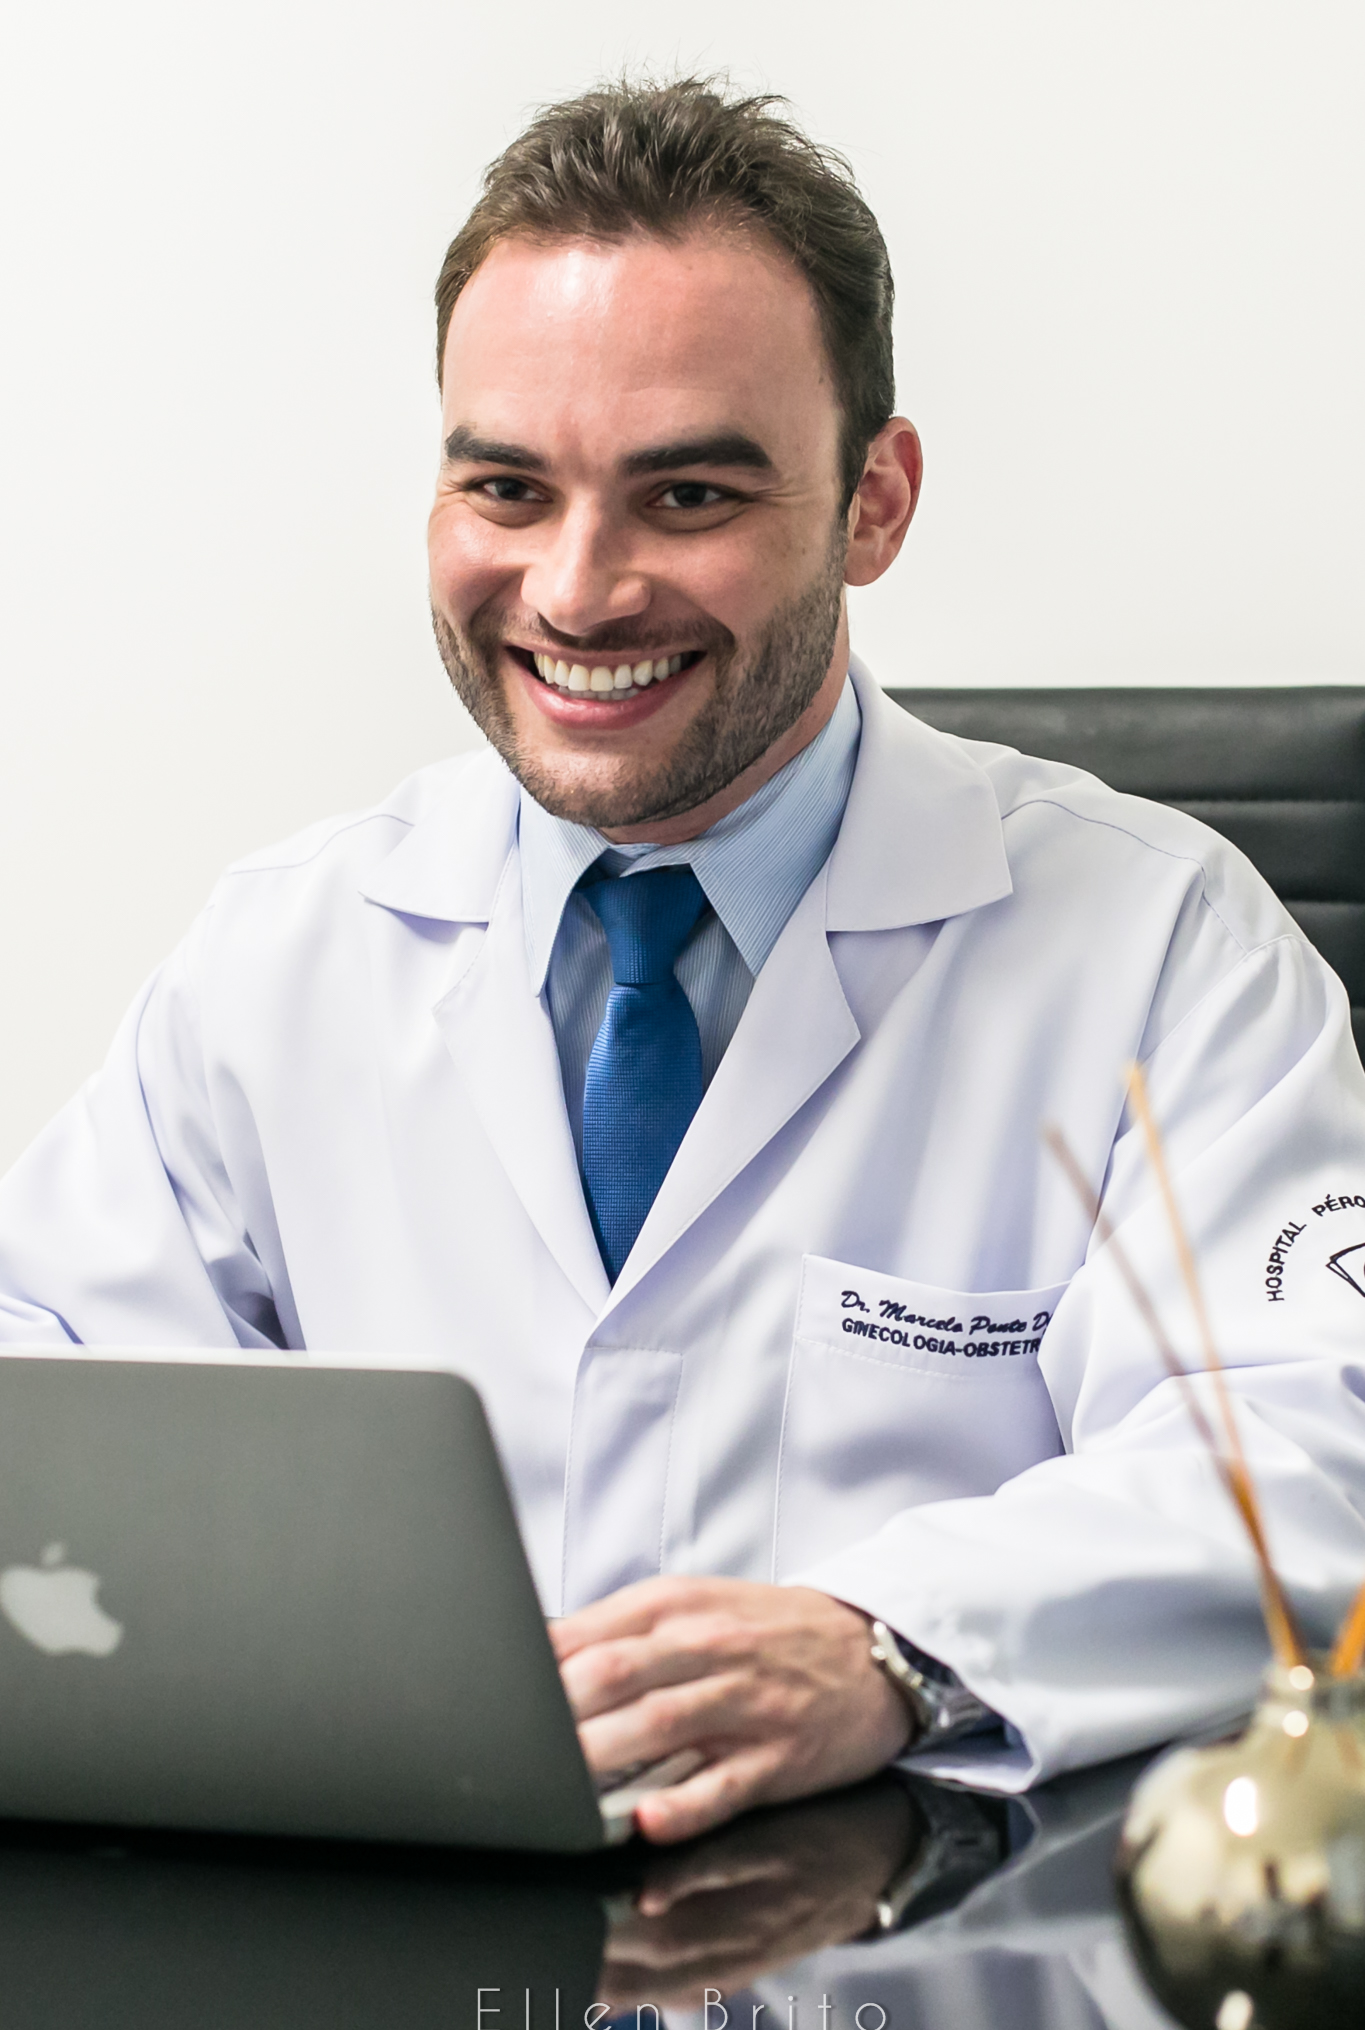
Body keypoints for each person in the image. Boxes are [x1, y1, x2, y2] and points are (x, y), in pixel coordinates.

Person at [2, 76, 1363, 1847]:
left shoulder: (1165, 948)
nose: (576, 591)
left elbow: (1309, 1449)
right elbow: (48, 1395)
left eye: (688, 494)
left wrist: (894, 1644)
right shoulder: (287, 953)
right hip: (402, 1908)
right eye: (506, 486)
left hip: (929, 1921)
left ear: (873, 503)